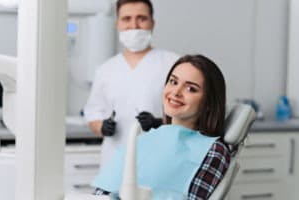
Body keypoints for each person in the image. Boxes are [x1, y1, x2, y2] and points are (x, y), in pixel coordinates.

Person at [92, 54, 233, 199]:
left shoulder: (213, 152)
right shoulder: (143, 141)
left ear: (209, 103)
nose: (176, 92)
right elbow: (102, 192)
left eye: (191, 89)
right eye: (173, 82)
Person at [84, 0, 179, 166]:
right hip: (114, 161)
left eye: (141, 18)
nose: (134, 25)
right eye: (126, 19)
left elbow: (190, 115)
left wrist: (160, 123)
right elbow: (93, 113)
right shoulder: (105, 70)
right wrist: (102, 127)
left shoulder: (173, 63)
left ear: (152, 23)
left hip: (159, 160)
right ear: (117, 24)